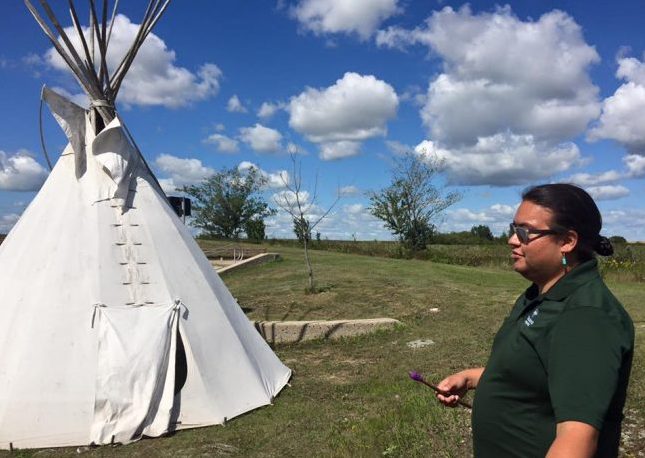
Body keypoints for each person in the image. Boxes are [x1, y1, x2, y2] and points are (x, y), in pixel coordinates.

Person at [436, 184, 634, 458]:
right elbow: (536, 373)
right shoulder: (542, 292)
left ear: (567, 241)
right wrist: (470, 378)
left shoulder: (586, 317)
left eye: (524, 232)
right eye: (512, 228)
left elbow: (576, 440)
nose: (512, 240)